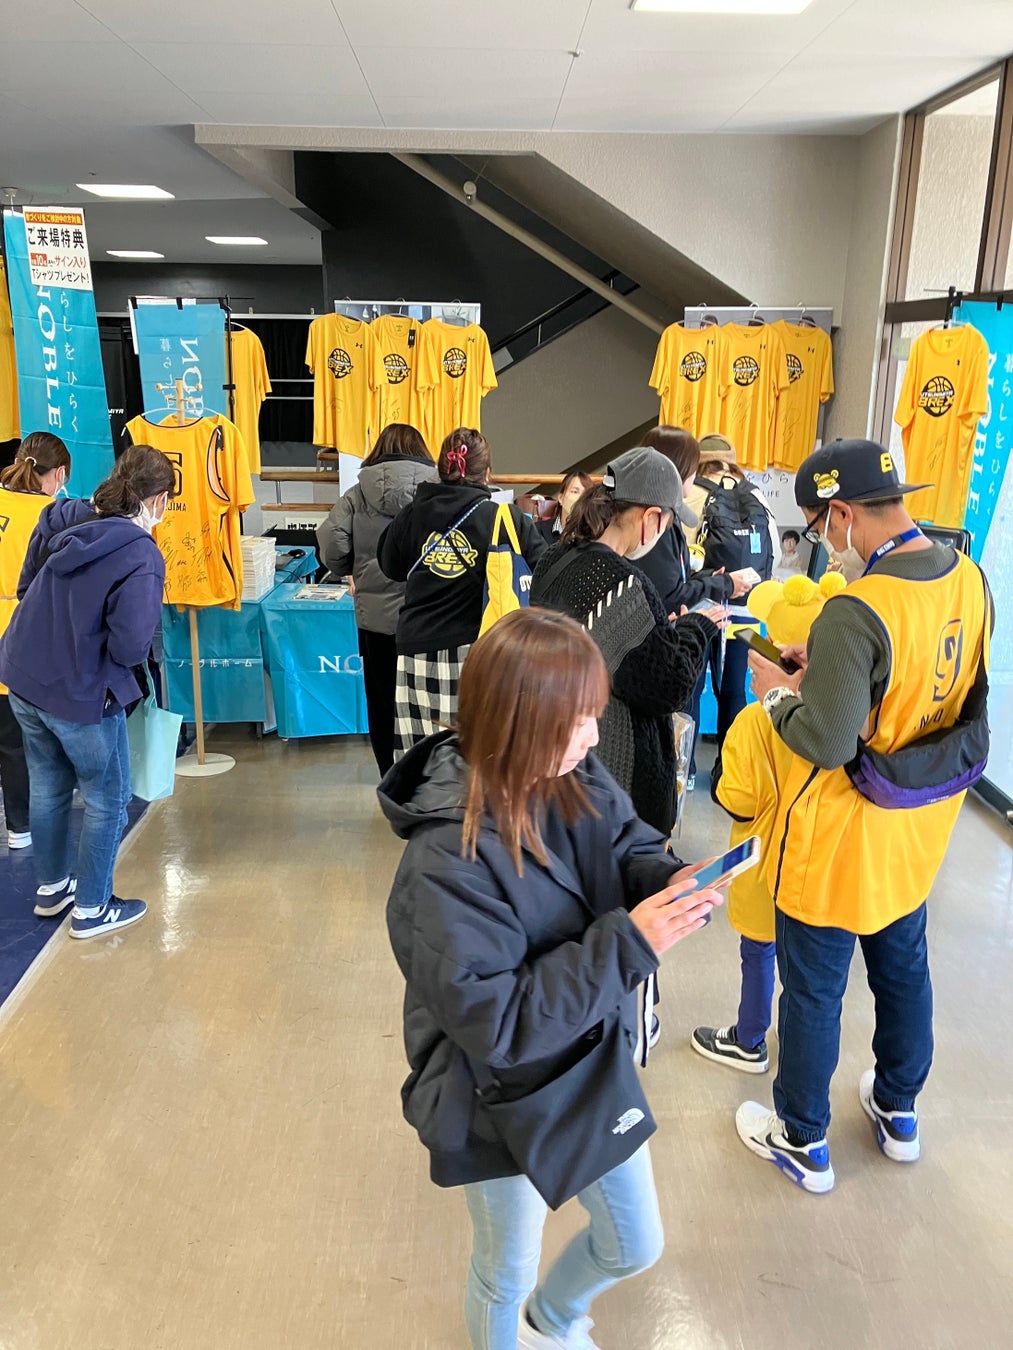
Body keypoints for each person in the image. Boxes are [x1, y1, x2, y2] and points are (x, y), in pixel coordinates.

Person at [380, 608, 723, 1350]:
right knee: (504, 1271)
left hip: (586, 1060)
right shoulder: (446, 861)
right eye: (579, 721)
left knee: (634, 1241)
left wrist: (668, 878)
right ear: (519, 723)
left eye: (594, 715)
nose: (594, 737)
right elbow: (498, 1026)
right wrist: (631, 942)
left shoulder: (568, 771)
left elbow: (623, 840)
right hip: (492, 1098)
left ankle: (553, 1322)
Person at [736, 439, 992, 1194]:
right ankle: (898, 1108)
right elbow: (931, 682)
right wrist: (828, 672)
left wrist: (776, 692)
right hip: (917, 826)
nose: (823, 543)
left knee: (814, 989)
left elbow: (825, 740)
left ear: (844, 514)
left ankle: (802, 1138)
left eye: (820, 526)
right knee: (903, 968)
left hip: (841, 834)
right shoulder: (969, 576)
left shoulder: (856, 607)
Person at [0, 445, 176, 938]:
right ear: (160, 500)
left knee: (48, 783)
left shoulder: (64, 513)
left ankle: (53, 888)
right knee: (107, 796)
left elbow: (26, 587)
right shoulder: (141, 554)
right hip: (80, 690)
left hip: (23, 673)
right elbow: (131, 645)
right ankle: (93, 907)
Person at [691, 571, 846, 1076]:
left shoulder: (753, 721)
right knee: (810, 966)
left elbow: (736, 798)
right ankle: (800, 1037)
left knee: (757, 952)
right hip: (816, 861)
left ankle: (749, 1037)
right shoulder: (836, 718)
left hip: (762, 863)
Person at [530, 446, 717, 836]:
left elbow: (610, 650)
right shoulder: (621, 584)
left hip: (557, 760)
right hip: (615, 780)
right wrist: (696, 628)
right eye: (668, 524)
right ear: (651, 518)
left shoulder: (554, 559)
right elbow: (669, 687)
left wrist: (658, 632)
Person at [377, 427, 544, 759]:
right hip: (481, 652)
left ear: (442, 469)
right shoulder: (504, 518)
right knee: (478, 754)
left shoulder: (413, 513)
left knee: (420, 759)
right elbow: (544, 570)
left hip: (417, 650)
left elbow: (389, 565)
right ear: (487, 473)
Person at [634, 426, 758, 788]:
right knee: (726, 691)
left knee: (691, 695)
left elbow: (671, 581)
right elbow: (670, 594)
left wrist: (705, 578)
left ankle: (682, 775)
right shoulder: (657, 521)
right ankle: (706, 776)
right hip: (683, 632)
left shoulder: (661, 514)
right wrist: (723, 584)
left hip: (675, 629)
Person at [317, 424, 437, 774]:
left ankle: (390, 775)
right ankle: (426, 778)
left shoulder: (357, 494)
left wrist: (352, 567)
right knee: (428, 702)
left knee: (382, 702)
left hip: (375, 621)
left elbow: (332, 543)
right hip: (428, 617)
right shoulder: (438, 492)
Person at [0, 433, 72, 850]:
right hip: (24, 634)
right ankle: (24, 827)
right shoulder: (50, 515)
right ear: (59, 474)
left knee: (7, 739)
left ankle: (19, 827)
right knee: (31, 741)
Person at [694, 433, 779, 752]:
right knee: (733, 689)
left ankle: (686, 768)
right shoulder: (756, 495)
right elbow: (774, 554)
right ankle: (730, 765)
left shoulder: (693, 493)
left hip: (702, 607)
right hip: (747, 608)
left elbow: (683, 557)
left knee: (692, 688)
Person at [535, 471, 594, 543]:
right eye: (575, 492)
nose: (581, 497)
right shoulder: (538, 531)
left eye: (586, 493)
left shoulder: (595, 534)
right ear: (561, 498)